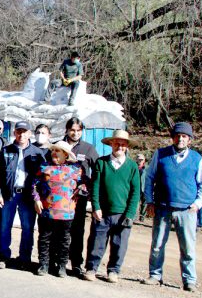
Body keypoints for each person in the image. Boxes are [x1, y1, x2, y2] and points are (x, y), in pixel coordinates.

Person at [142, 122, 202, 292]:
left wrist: (197, 203)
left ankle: (189, 280)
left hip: (187, 210)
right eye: (177, 135)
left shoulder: (196, 158)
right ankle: (155, 275)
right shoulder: (161, 154)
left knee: (188, 247)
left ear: (189, 140)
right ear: (172, 137)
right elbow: (149, 178)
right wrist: (149, 201)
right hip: (162, 207)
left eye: (184, 136)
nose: (180, 139)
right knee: (157, 244)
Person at [83, 130, 141, 283]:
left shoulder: (132, 166)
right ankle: (91, 268)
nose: (119, 146)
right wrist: (96, 207)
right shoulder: (101, 163)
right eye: (116, 143)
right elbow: (95, 187)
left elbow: (135, 193)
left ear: (127, 146)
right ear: (111, 144)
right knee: (97, 242)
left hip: (122, 213)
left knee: (119, 244)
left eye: (123, 144)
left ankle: (114, 271)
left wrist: (130, 214)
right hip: (102, 212)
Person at [0, 121, 46, 270]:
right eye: (18, 131)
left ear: (29, 133)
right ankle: (3, 256)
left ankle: (24, 258)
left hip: (28, 196)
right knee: (4, 226)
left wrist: (38, 197)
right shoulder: (6, 151)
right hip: (9, 194)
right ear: (14, 133)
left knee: (28, 228)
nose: (21, 134)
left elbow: (42, 177)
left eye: (24, 131)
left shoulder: (37, 152)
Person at [32, 140, 83, 277]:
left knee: (64, 240)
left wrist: (81, 189)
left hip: (66, 213)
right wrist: (36, 200)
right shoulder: (44, 167)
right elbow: (34, 185)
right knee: (45, 238)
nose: (54, 153)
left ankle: (62, 266)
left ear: (66, 155)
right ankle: (43, 265)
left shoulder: (75, 169)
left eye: (58, 151)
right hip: (47, 211)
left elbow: (84, 185)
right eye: (53, 150)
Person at [61, 117, 100, 276]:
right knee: (60, 229)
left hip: (79, 197)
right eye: (72, 130)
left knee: (77, 230)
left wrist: (87, 186)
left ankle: (76, 263)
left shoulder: (88, 149)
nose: (75, 133)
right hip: (60, 196)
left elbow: (97, 172)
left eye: (78, 130)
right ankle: (58, 260)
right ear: (67, 130)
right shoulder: (59, 145)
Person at [136, 153, 148, 221]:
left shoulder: (147, 168)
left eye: (141, 160)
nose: (140, 161)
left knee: (144, 203)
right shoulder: (133, 167)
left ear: (144, 160)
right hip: (136, 188)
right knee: (136, 203)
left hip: (145, 188)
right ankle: (135, 217)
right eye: (139, 160)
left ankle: (142, 217)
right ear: (136, 160)